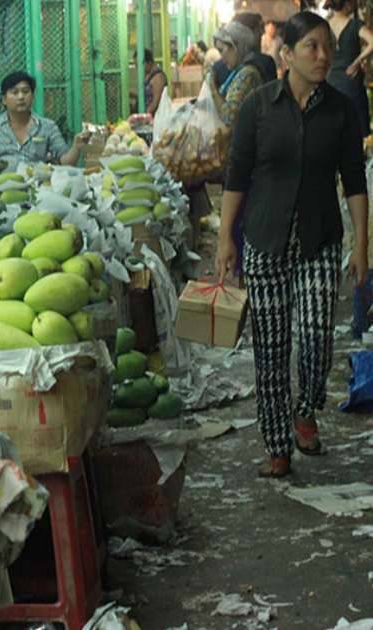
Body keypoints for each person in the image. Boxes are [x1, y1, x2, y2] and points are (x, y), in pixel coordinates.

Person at [215, 11, 368, 478]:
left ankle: (306, 410)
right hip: (265, 239)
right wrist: (225, 238)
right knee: (272, 347)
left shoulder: (340, 110)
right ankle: (277, 446)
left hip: (320, 240)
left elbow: (355, 180)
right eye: (312, 47)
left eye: (327, 47)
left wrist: (363, 244)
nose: (323, 56)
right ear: (287, 54)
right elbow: (237, 175)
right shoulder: (258, 107)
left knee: (318, 339)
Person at [209, 21, 268, 275]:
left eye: (224, 50)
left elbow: (229, 116)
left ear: (238, 46)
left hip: (247, 162)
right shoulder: (240, 72)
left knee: (239, 228)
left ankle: (245, 283)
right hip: (244, 159)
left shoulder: (247, 75)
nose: (222, 57)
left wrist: (211, 90)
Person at [0, 71, 90, 173]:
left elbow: (66, 162)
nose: (21, 97)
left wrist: (76, 146)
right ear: (4, 99)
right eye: (15, 92)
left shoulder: (47, 127)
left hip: (37, 182)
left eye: (25, 91)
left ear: (32, 96)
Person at [325, 0, 373, 136]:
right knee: (357, 126)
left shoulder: (325, 25)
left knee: (335, 129)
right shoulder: (355, 24)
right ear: (347, 4)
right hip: (351, 79)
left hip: (331, 81)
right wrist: (357, 62)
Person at [139, 49, 167, 116]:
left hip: (156, 116)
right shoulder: (148, 75)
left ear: (149, 62)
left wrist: (145, 115)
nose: (138, 68)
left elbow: (155, 102)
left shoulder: (158, 77)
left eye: (139, 65)